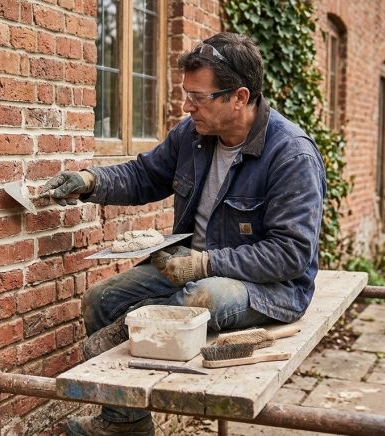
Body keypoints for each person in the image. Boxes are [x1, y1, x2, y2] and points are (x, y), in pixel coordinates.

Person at [39, 32, 327, 436]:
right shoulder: (192, 136)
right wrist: (89, 180)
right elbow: (144, 175)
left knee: (202, 298)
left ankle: (128, 332)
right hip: (192, 267)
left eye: (198, 97)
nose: (186, 106)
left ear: (240, 97)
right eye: (185, 94)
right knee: (100, 300)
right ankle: (125, 424)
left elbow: (290, 253)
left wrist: (205, 263)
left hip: (269, 288)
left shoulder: (291, 154)